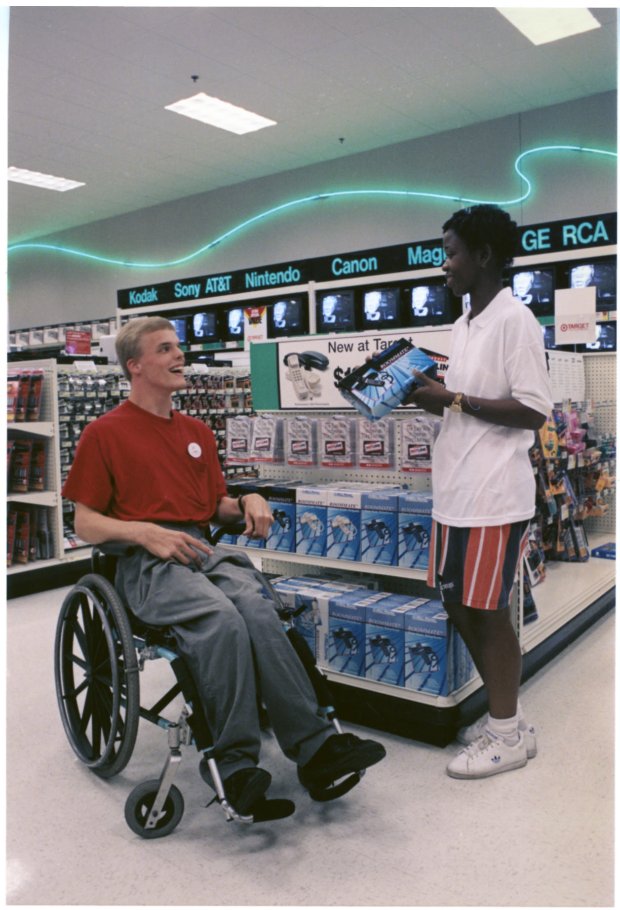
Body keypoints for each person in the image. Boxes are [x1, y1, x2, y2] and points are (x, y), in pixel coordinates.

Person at [62, 315, 385, 819]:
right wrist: (143, 531)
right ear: (135, 366)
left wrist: (250, 499)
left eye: (178, 347)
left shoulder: (195, 433)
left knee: (259, 611)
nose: (179, 356)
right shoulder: (104, 434)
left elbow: (216, 508)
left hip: (204, 550)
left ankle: (317, 746)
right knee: (221, 620)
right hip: (147, 561)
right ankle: (234, 765)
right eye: (165, 349)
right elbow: (85, 523)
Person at [409, 205, 553, 780]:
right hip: (456, 492)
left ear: (485, 256)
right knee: (455, 601)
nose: (445, 265)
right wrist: (430, 392)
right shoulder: (465, 322)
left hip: (495, 494)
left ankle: (506, 734)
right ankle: (506, 722)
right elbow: (467, 399)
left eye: (452, 252)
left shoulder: (515, 320)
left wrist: (452, 400)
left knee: (486, 611)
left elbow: (534, 411)